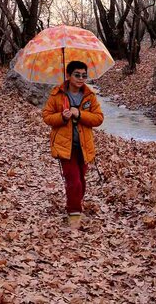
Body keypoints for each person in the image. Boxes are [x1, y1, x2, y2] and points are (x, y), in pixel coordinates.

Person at [42, 61, 104, 229]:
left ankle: (75, 205)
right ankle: (74, 214)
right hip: (64, 147)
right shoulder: (57, 95)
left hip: (83, 146)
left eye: (84, 75)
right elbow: (47, 117)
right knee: (73, 181)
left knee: (81, 181)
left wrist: (80, 114)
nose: (81, 78)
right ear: (68, 76)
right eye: (77, 75)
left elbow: (98, 118)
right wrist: (62, 117)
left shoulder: (89, 96)